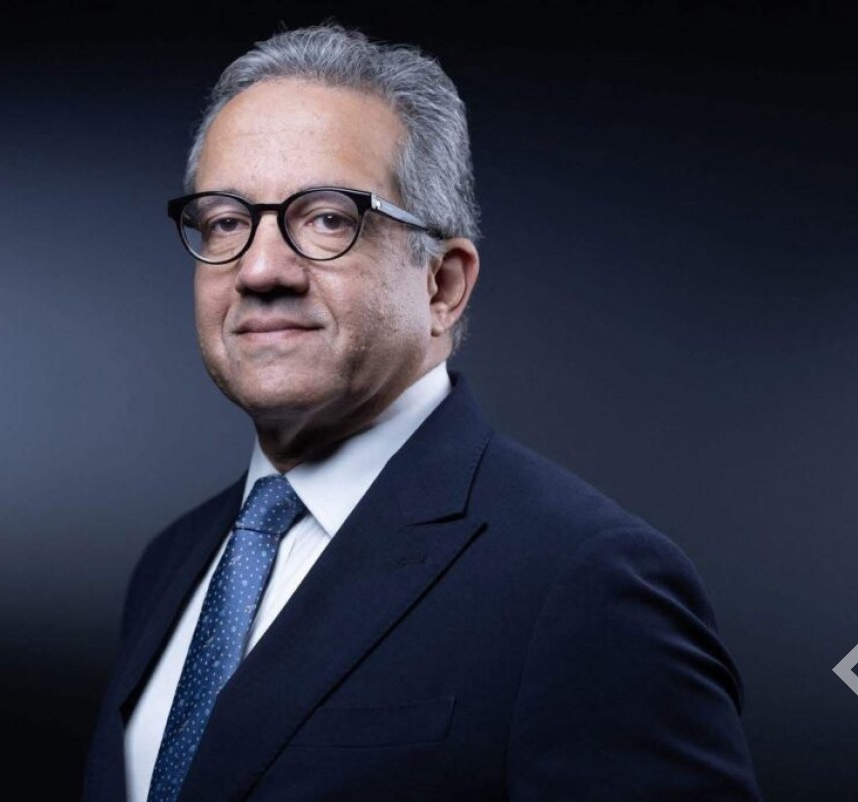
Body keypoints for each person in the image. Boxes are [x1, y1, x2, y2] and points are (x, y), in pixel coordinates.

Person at [84, 24, 762, 802]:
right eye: (227, 221)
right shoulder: (171, 566)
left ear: (443, 285)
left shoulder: (585, 585)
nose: (262, 269)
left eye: (328, 218)